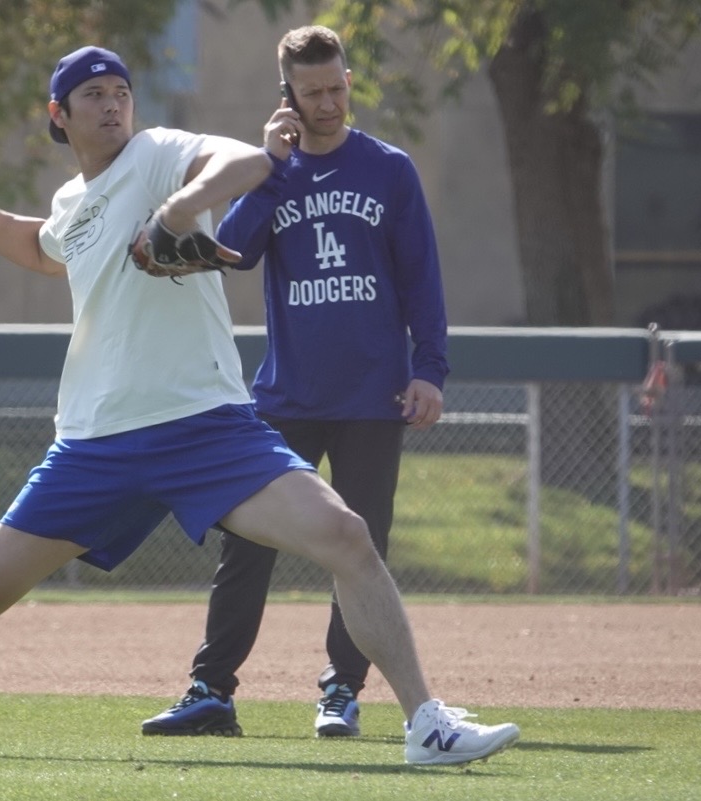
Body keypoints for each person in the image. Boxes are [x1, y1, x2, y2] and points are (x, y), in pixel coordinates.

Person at [0, 44, 518, 766]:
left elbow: (248, 164)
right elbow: (37, 245)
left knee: (346, 534)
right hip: (95, 441)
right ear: (58, 115)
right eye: (91, 94)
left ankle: (425, 724)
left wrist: (181, 206)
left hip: (206, 429)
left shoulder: (158, 151)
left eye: (119, 89)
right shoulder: (73, 204)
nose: (111, 102)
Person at [141, 25, 449, 741]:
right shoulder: (269, 171)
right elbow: (235, 251)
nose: (329, 102)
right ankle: (210, 691)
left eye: (337, 87)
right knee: (245, 547)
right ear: (287, 94)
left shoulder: (388, 169)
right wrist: (271, 165)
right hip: (284, 399)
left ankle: (341, 690)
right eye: (312, 92)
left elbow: (422, 280)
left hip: (374, 397)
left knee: (359, 546)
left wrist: (428, 369)